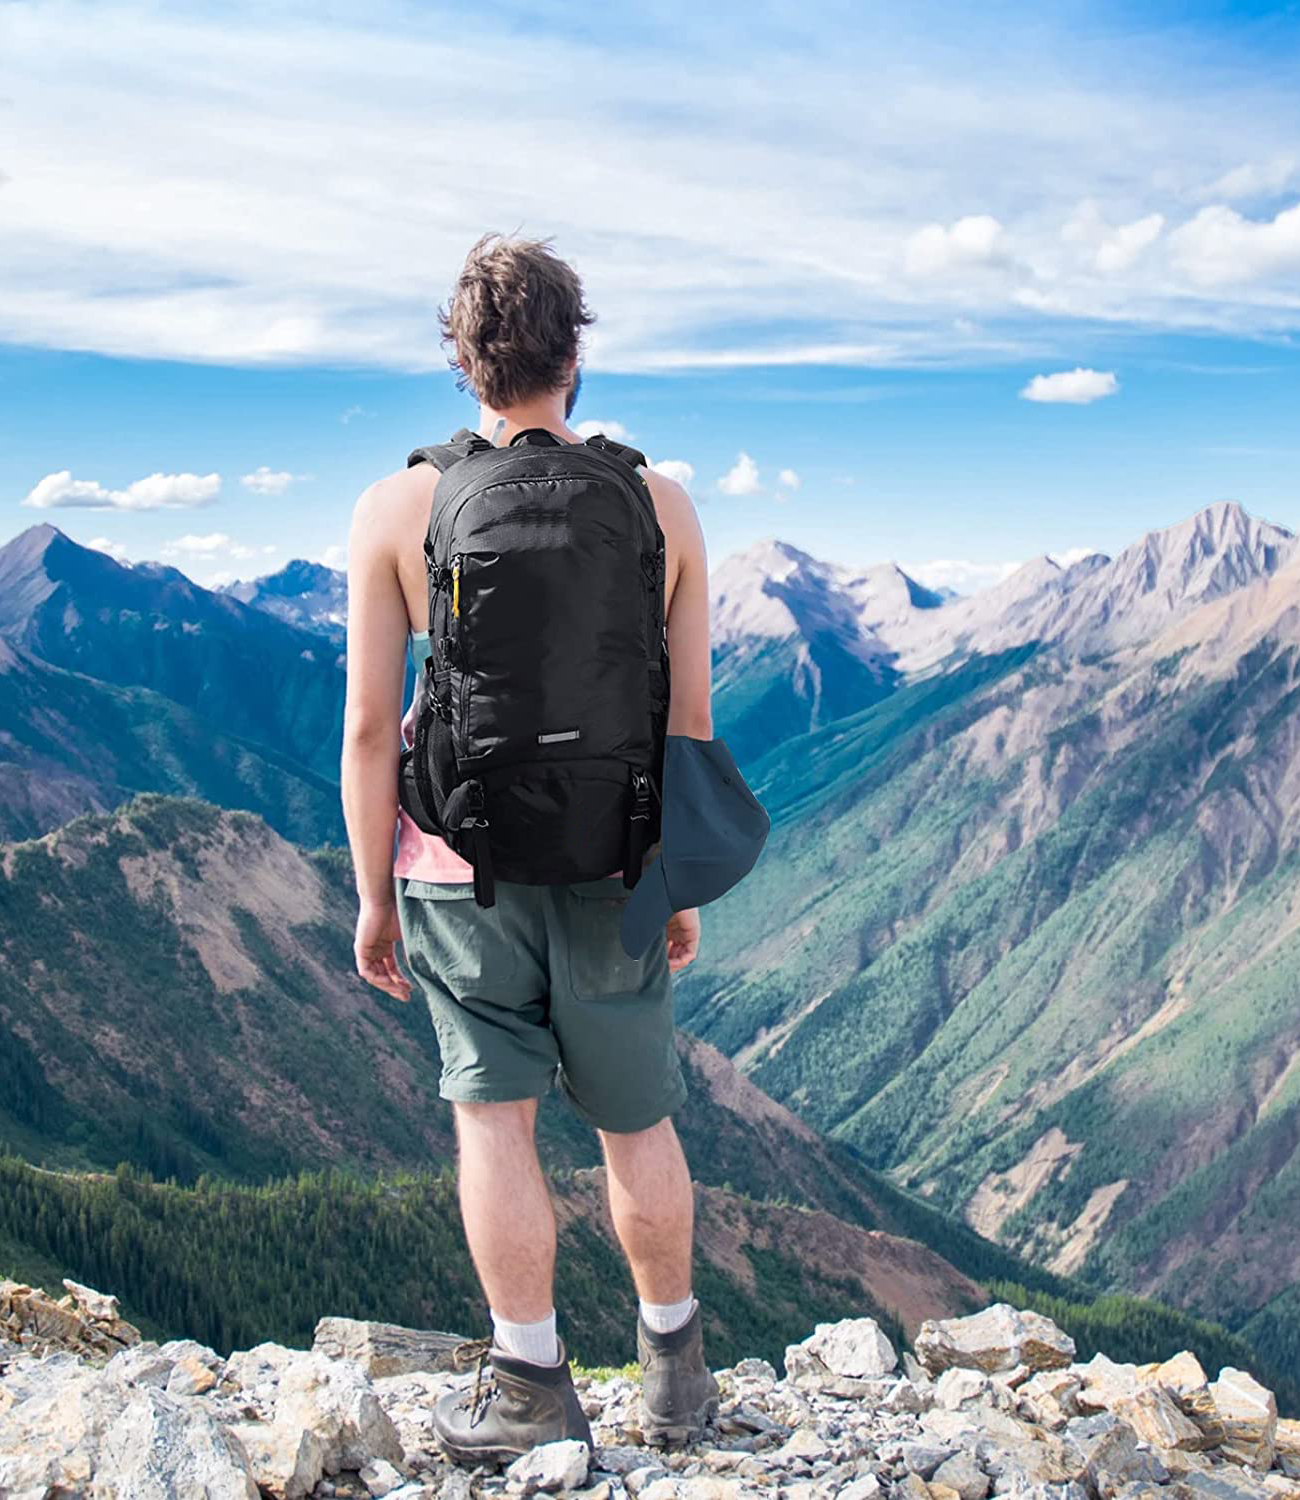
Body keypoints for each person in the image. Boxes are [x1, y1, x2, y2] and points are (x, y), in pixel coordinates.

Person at [341, 234, 718, 1461]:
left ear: (461, 361)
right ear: (575, 349)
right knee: (637, 1122)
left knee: (493, 1125)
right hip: (615, 861)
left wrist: (372, 898)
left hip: (458, 863)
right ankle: (675, 1382)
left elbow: (364, 729)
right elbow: (687, 720)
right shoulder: (659, 506)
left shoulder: (399, 507)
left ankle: (529, 1387)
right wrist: (675, 869)